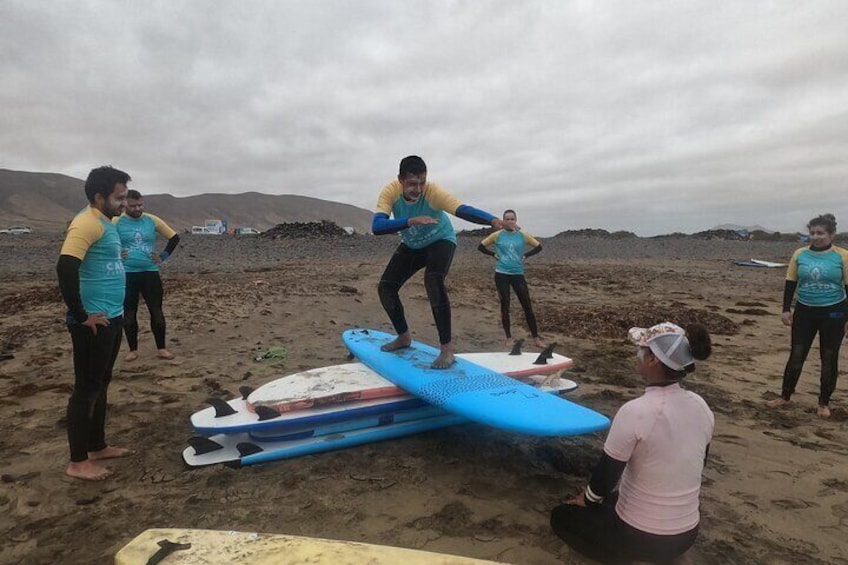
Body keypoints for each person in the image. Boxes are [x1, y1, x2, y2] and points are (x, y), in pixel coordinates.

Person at [551, 322, 714, 564]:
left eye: (642, 349)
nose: (637, 355)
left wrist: (584, 501)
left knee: (561, 517)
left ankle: (635, 557)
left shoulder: (636, 411)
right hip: (687, 533)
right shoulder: (702, 406)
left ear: (653, 361)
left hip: (640, 537)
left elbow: (604, 478)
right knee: (616, 498)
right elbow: (698, 464)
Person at [373, 155, 503, 368]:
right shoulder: (390, 192)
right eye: (412, 184)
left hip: (441, 240)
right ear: (400, 180)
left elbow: (461, 209)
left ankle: (447, 350)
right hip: (413, 245)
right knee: (386, 288)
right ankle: (404, 337)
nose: (418, 189)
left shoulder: (433, 193)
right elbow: (377, 227)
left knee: (433, 281)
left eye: (422, 182)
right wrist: (410, 221)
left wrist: (492, 220)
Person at [56, 166, 132, 481]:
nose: (124, 203)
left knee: (101, 384)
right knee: (86, 389)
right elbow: (65, 267)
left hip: (112, 317)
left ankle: (97, 445)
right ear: (100, 197)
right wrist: (81, 314)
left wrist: (118, 258)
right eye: (119, 197)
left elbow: (98, 260)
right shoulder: (86, 223)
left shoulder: (108, 222)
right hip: (93, 323)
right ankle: (77, 462)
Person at [766, 213, 848, 419]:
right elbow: (791, 282)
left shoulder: (842, 256)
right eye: (812, 233)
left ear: (831, 234)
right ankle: (785, 395)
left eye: (820, 233)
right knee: (796, 354)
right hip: (804, 311)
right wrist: (786, 309)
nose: (815, 237)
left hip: (834, 312)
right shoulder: (799, 255)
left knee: (829, 357)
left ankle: (824, 403)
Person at [115, 189, 180, 361]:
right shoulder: (116, 221)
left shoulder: (152, 220)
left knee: (156, 311)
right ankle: (132, 350)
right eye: (133, 205)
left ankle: (161, 348)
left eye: (140, 205)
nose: (137, 208)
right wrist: (115, 253)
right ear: (125, 205)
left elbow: (174, 238)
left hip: (150, 272)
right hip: (127, 274)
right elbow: (102, 240)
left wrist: (163, 256)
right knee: (129, 313)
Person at [477, 209, 545, 349]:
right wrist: (494, 255)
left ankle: (536, 338)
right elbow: (481, 247)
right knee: (505, 305)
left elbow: (539, 247)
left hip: (517, 274)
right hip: (501, 274)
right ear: (503, 221)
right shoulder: (497, 235)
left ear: (515, 220)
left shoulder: (522, 235)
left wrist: (526, 256)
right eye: (506, 219)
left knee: (527, 306)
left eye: (512, 219)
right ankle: (508, 338)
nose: (509, 221)